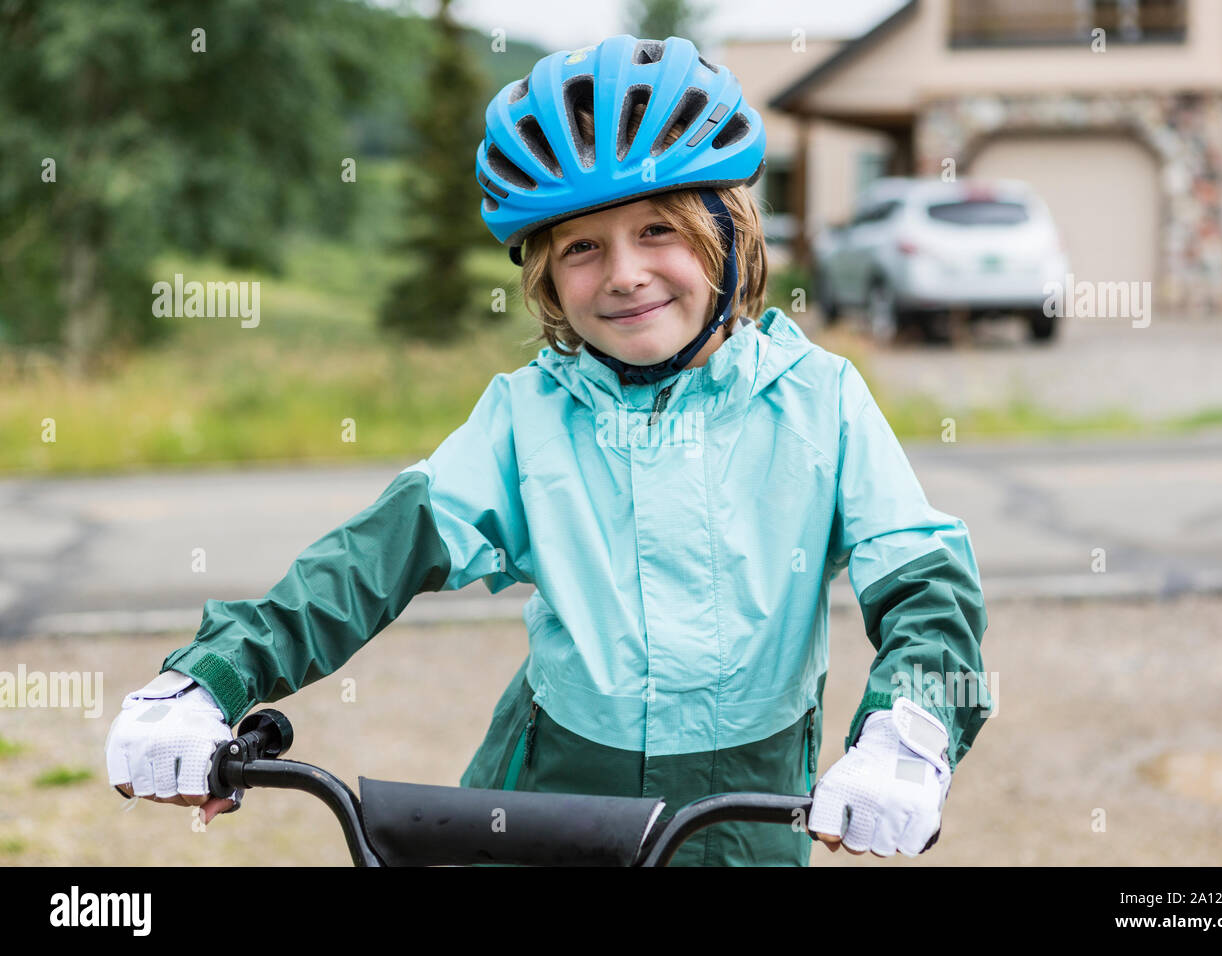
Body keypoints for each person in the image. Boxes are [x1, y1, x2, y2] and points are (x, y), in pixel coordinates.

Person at [106, 34, 990, 866]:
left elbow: (922, 578)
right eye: (581, 247)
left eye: (658, 228)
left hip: (744, 807)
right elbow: (369, 561)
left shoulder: (821, 401)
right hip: (545, 793)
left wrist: (907, 729)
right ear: (546, 281)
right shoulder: (526, 415)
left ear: (729, 231)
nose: (624, 273)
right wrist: (214, 678)